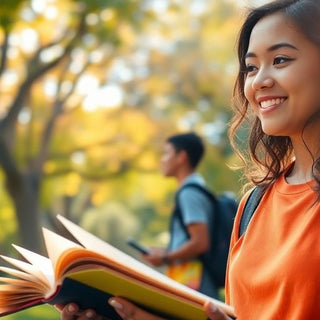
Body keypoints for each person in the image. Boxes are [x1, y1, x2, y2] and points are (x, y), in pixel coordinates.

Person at [59, 0, 320, 319]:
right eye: (251, 67)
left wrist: (167, 255)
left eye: (280, 59)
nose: (258, 81)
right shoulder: (254, 204)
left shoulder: (196, 195)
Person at [140, 132, 219, 298]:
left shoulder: (189, 193)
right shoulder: (195, 189)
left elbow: (200, 242)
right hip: (191, 279)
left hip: (194, 281)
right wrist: (164, 252)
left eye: (167, 153)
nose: (162, 159)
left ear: (181, 157)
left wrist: (165, 257)